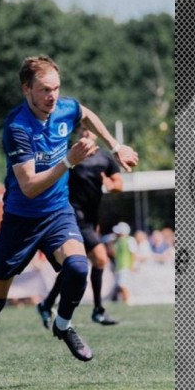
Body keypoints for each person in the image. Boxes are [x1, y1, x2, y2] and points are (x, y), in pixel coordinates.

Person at [0, 55, 138, 390]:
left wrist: (115, 146)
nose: (52, 96)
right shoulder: (17, 127)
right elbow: (29, 186)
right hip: (20, 220)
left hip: (57, 213)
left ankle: (63, 324)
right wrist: (67, 162)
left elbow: (86, 112)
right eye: (44, 89)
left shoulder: (65, 108)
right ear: (26, 89)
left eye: (56, 88)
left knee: (78, 267)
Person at [35, 124, 124, 328]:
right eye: (82, 128)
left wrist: (111, 185)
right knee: (100, 259)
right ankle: (98, 310)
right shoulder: (70, 154)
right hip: (71, 214)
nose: (86, 132)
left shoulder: (105, 158)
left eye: (89, 128)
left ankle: (47, 304)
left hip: (91, 218)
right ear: (77, 132)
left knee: (73, 265)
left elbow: (119, 184)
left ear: (96, 133)